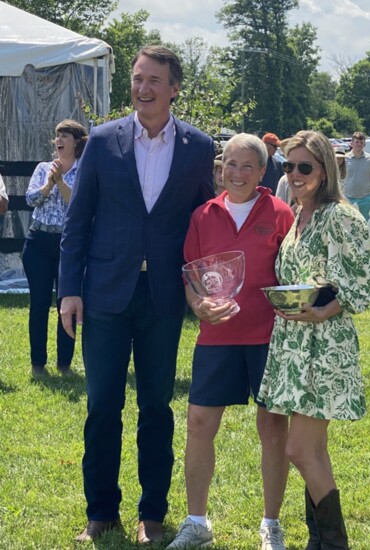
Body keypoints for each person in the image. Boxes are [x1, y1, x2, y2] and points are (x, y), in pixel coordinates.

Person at [58, 46, 215, 544]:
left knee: (156, 407)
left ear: (174, 88)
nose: (142, 88)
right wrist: (69, 292)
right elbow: (77, 223)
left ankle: (152, 513)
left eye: (154, 81)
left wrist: (205, 288)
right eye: (137, 78)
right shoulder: (103, 141)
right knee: (102, 404)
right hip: (103, 294)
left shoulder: (197, 147)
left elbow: (201, 228)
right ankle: (100, 511)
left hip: (162, 297)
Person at [166, 134, 295, 550]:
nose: (236, 174)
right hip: (216, 338)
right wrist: (198, 304)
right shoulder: (203, 215)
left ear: (262, 172)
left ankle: (271, 524)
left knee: (272, 426)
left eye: (246, 166)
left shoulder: (280, 214)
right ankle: (197, 522)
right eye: (229, 165)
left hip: (268, 338)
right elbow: (191, 275)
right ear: (219, 169)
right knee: (200, 425)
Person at [258, 130, 370, 549]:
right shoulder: (298, 215)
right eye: (289, 166)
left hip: (325, 346)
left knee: (299, 449)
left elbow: (365, 282)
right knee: (316, 451)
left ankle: (334, 543)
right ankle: (319, 541)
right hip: (295, 346)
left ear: (326, 170)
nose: (294, 174)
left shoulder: (339, 215)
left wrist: (327, 308)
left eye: (304, 167)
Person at [21, 119, 88, 377]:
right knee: (39, 304)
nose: (59, 140)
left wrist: (61, 181)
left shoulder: (84, 170)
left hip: (67, 245)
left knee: (67, 302)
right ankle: (38, 364)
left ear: (76, 142)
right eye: (57, 136)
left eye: (65, 135)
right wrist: (49, 182)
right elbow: (31, 199)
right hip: (38, 242)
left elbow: (78, 205)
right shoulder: (42, 168)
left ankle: (64, 363)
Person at [345, 131, 370, 220]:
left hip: (366, 199)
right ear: (351, 143)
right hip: (348, 199)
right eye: (357, 142)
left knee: (365, 226)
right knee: (348, 225)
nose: (359, 144)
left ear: (364, 144)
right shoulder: (345, 159)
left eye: (361, 142)